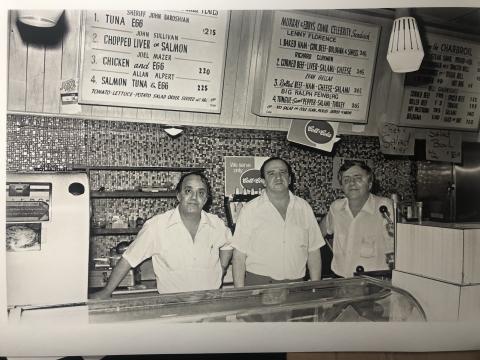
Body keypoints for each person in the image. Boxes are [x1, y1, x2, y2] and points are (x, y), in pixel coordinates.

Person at [91, 171, 233, 299]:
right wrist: (107, 290)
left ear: (206, 198)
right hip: (173, 306)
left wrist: (222, 269)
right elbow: (128, 259)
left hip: (210, 305)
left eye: (201, 193)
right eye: (188, 191)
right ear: (178, 195)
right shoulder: (156, 226)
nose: (194, 197)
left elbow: (228, 244)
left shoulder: (216, 224)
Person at [231, 157, 324, 287]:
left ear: (290, 178)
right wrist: (240, 294)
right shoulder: (250, 209)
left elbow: (313, 251)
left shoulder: (304, 208)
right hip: (259, 285)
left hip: (297, 285)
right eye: (271, 173)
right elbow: (238, 256)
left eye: (283, 172)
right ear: (263, 181)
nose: (278, 177)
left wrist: (315, 287)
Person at [320, 160, 394, 278]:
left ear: (370, 184)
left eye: (358, 178)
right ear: (342, 187)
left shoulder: (385, 207)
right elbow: (317, 233)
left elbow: (398, 246)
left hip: (373, 282)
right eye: (346, 179)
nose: (352, 183)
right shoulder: (336, 208)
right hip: (341, 280)